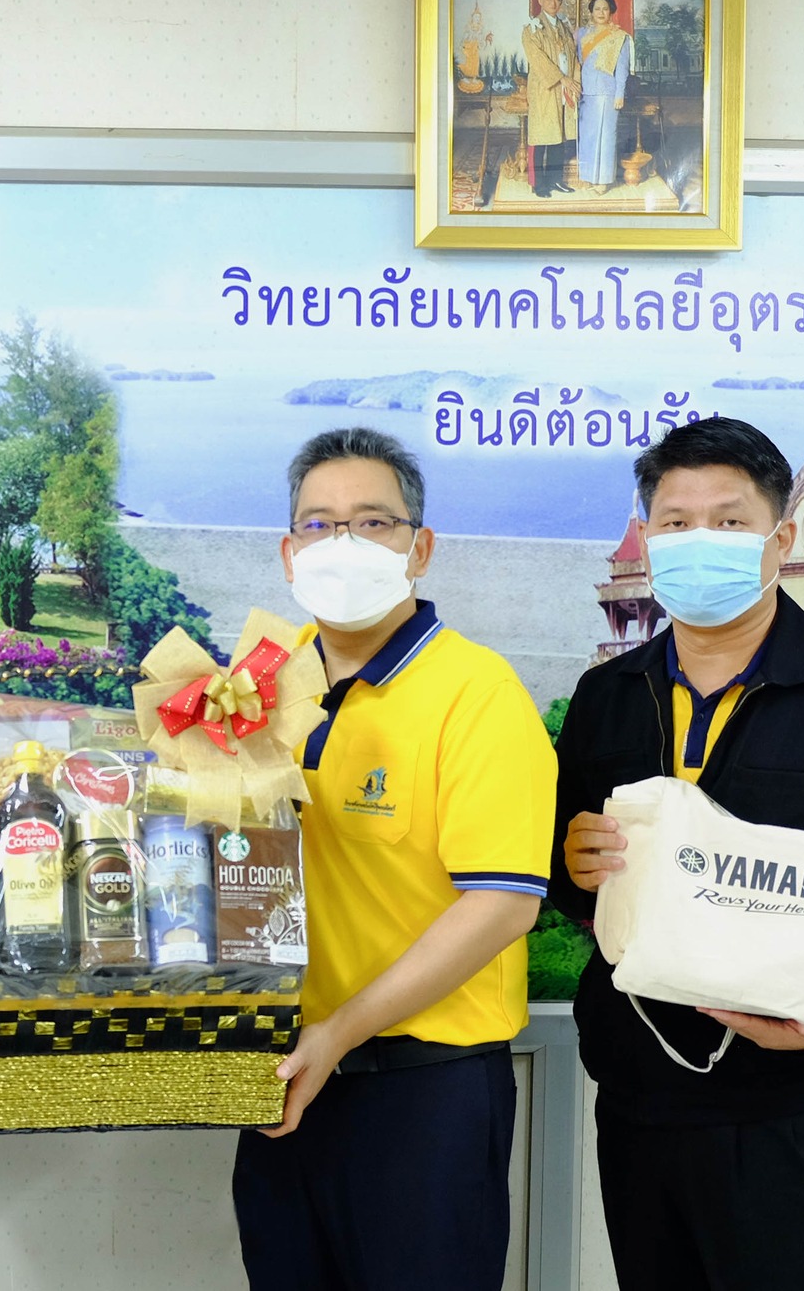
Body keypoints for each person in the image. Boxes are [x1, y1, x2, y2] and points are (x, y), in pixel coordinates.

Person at [549, 417, 804, 1291]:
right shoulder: (605, 700)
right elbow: (565, 876)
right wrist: (575, 865)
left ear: (780, 539)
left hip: (799, 1114)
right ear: (649, 540)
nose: (699, 540)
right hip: (640, 1103)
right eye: (674, 521)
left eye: (729, 521)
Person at [232, 427, 556, 1291]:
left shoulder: (476, 693)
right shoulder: (254, 686)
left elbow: (502, 902)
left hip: (424, 1095)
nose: (344, 545)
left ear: (421, 548)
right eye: (319, 524)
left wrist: (338, 1033)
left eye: (374, 523)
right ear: (288, 551)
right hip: (281, 1079)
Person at [522, 0, 580, 197]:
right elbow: (538, 60)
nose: (553, 3)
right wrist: (561, 78)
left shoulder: (564, 27)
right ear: (540, 1)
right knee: (540, 137)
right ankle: (538, 184)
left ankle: (556, 180)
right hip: (545, 89)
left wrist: (574, 81)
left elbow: (573, 57)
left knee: (559, 137)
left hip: (564, 90)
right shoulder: (532, 28)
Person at [575, 0, 633, 191]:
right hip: (585, 92)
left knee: (607, 135)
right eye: (597, 8)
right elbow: (575, 63)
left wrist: (620, 94)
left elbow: (622, 68)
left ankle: (603, 180)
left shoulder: (619, 37)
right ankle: (587, 177)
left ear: (611, 12)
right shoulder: (581, 34)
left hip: (608, 93)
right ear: (591, 11)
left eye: (605, 9)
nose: (601, 12)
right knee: (588, 136)